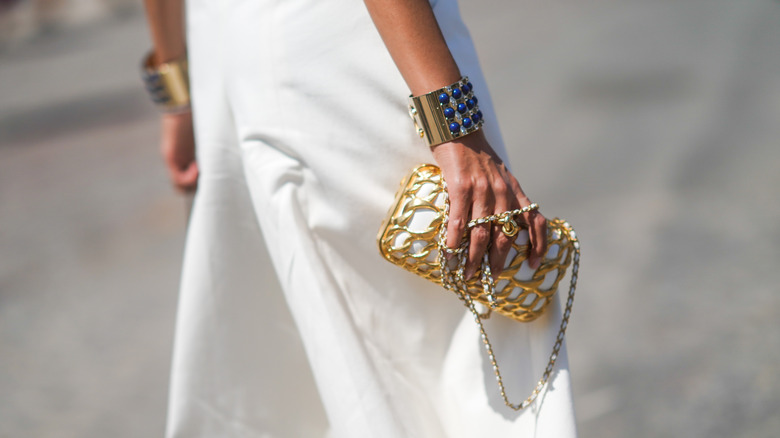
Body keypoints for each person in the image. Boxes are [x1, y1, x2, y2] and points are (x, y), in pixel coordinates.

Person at [142, 0, 577, 436]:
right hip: (356, 53)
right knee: (472, 330)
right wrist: (455, 127)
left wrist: (174, 88)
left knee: (317, 376)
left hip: (224, 55)